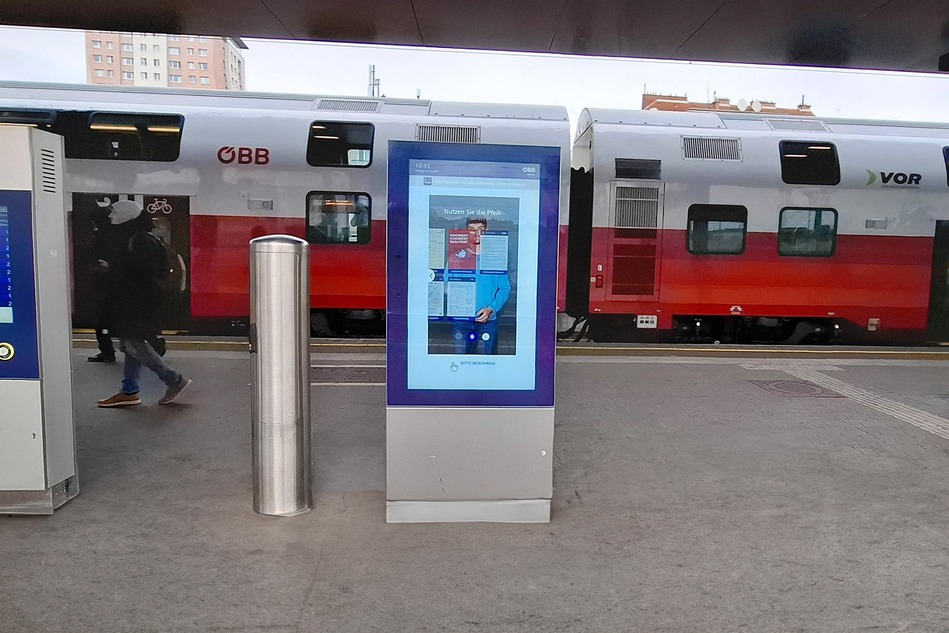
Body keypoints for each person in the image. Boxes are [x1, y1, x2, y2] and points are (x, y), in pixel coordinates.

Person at [95, 200, 191, 407]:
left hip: (137, 303)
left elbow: (143, 274)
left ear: (127, 216)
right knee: (131, 345)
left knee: (133, 344)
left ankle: (174, 380)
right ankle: (129, 390)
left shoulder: (139, 240)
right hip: (136, 301)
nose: (110, 217)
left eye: (114, 213)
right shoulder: (138, 237)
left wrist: (113, 273)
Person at [451, 218, 511, 355]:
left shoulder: (496, 259)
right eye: (472, 229)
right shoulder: (456, 258)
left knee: (488, 362)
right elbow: (446, 285)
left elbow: (505, 288)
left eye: (480, 229)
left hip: (488, 322)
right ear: (467, 232)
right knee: (460, 362)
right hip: (461, 321)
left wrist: (491, 308)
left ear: (486, 231)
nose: (476, 233)